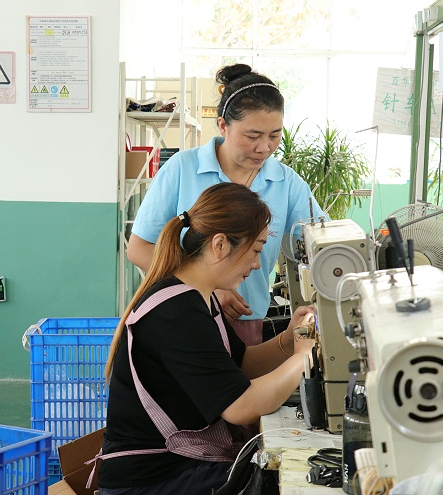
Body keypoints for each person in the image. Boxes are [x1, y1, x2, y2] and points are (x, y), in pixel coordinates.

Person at [97, 182, 316, 495]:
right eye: (255, 250)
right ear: (220, 244)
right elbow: (240, 406)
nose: (257, 264)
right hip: (150, 481)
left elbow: (240, 363)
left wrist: (289, 339)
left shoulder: (200, 296)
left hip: (177, 467)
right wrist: (303, 358)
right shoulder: (177, 312)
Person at [127, 63, 325, 346]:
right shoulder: (182, 169)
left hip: (246, 321)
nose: (264, 148)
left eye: (274, 136)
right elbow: (139, 249)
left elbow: (322, 242)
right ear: (223, 125)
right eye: (252, 136)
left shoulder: (287, 183)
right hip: (182, 313)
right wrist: (204, 289)